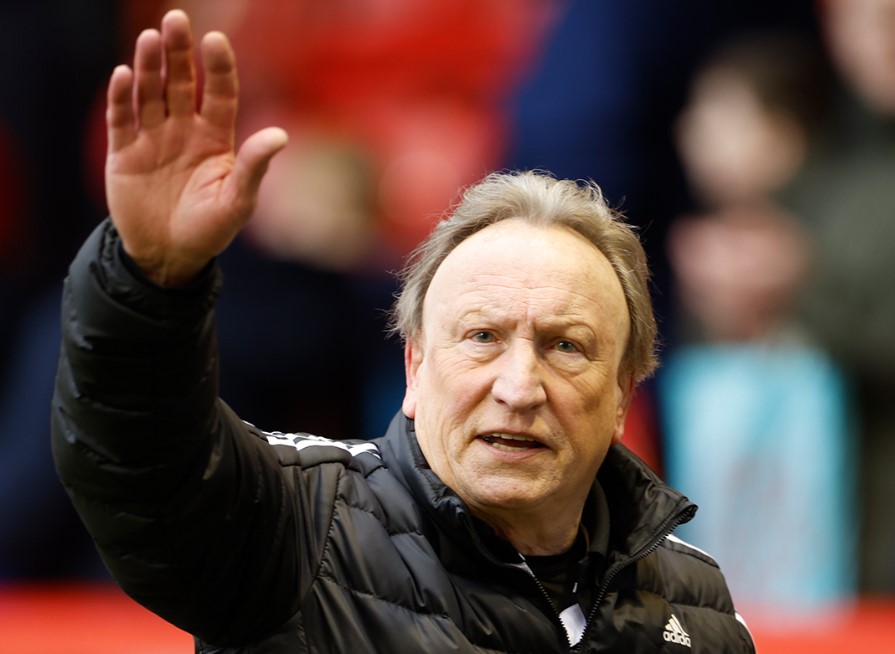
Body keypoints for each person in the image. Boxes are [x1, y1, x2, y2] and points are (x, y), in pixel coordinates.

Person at [51, 10, 754, 652]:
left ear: (624, 392)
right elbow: (141, 466)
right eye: (482, 337)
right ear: (415, 366)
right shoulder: (296, 524)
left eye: (565, 346)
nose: (518, 387)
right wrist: (146, 279)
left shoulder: (700, 611)